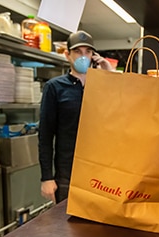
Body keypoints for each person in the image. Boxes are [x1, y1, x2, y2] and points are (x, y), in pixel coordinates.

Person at [39, 30, 113, 204]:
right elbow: (45, 135)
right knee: (67, 228)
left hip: (100, 173)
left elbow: (118, 116)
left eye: (88, 52)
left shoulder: (102, 87)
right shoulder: (55, 87)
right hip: (67, 175)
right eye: (78, 52)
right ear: (67, 55)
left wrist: (109, 76)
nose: (83, 56)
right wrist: (47, 178)